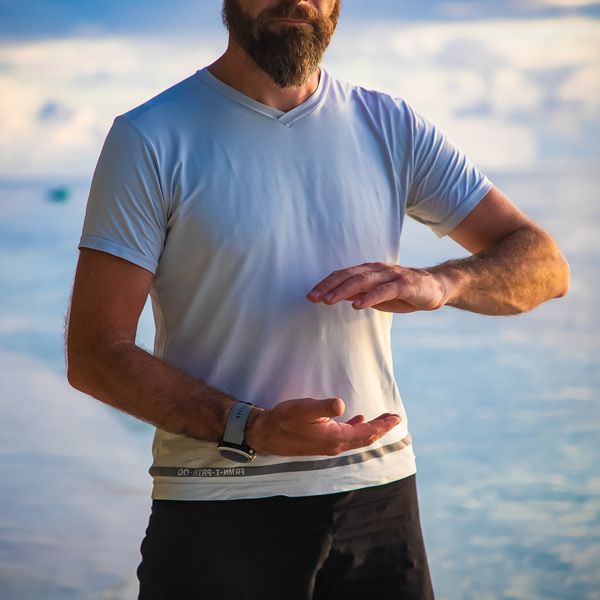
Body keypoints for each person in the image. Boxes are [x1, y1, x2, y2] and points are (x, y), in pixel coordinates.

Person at [65, 1, 570, 598]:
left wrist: (442, 283)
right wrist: (249, 428)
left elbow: (544, 264)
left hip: (382, 504)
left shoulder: (390, 124)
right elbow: (95, 353)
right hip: (219, 504)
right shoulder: (151, 136)